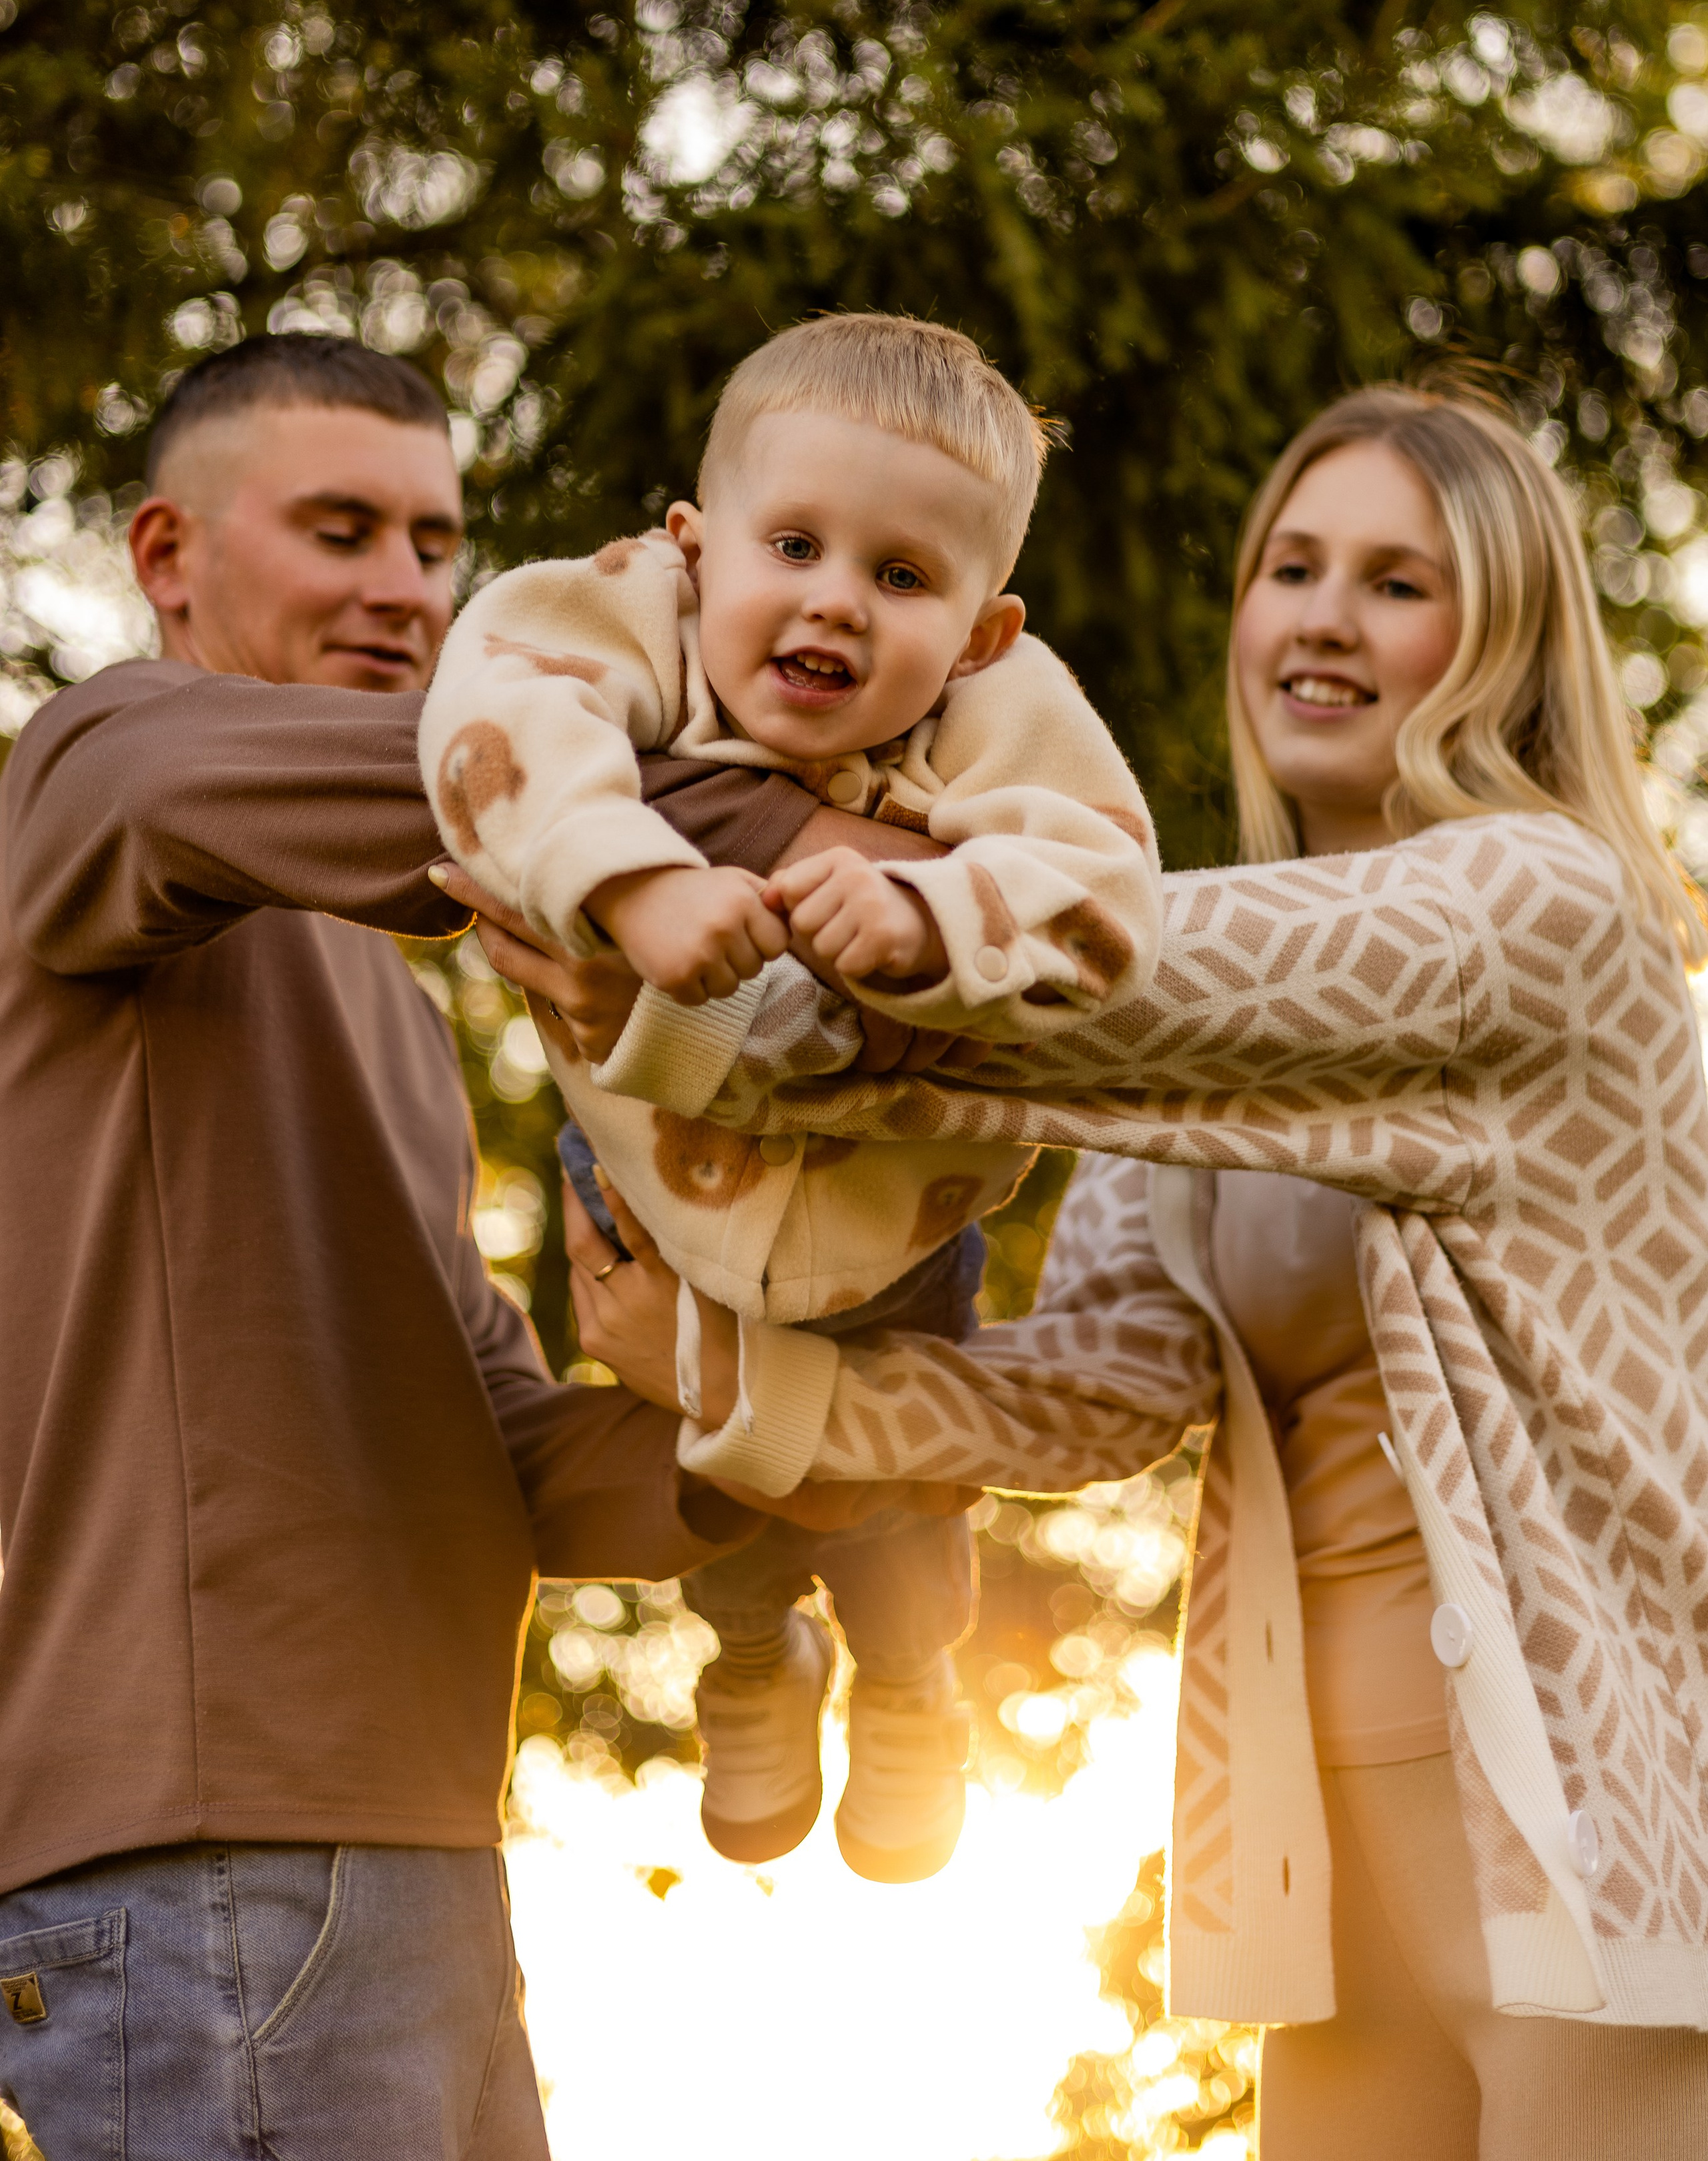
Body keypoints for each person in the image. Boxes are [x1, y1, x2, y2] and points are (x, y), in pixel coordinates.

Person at [538, 386, 1708, 2155]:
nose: (1319, 615)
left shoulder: (1547, 910)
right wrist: (746, 1392)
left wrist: (725, 963)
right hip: (1330, 1868)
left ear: (1505, 638)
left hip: (1603, 1853)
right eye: (1290, 566)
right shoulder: (1216, 1037)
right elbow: (1104, 1387)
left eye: (1395, 583)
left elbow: (1134, 985)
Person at [0, 332, 940, 2161]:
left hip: (388, 1851)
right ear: (168, 556)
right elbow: (474, 786)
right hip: (215, 1859)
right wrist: (846, 844)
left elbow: (491, 1449)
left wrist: (764, 1434)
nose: (407, 587)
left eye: (438, 543)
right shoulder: (102, 768)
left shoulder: (389, 979)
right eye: (341, 528)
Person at [418, 312, 1163, 1883]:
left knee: (904, 1524)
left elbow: (1106, 888)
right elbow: (490, 705)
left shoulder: (1000, 712)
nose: (834, 598)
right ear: (692, 551)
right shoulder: (630, 620)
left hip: (897, 1239)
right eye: (795, 544)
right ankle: (753, 1668)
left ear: (976, 632)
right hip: (665, 1213)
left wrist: (925, 915)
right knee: (721, 1508)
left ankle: (907, 1686)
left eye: (901, 578)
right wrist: (624, 883)